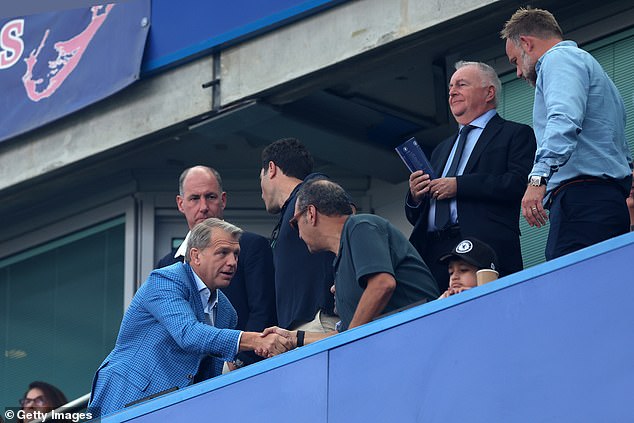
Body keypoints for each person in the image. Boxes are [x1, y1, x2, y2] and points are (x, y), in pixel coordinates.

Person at [89, 218, 292, 418]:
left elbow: (208, 376)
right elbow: (189, 334)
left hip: (173, 408)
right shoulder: (166, 280)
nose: (232, 262)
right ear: (195, 256)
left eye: (236, 254)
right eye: (223, 253)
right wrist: (256, 340)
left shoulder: (227, 312)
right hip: (128, 397)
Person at [501, 7, 633, 260]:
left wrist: (537, 178)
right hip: (603, 201)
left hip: (582, 203)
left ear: (526, 43)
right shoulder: (591, 68)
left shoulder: (558, 60)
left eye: (515, 61)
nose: (518, 72)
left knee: (571, 290)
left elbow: (563, 119)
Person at [405, 61, 536, 293]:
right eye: (450, 87)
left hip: (484, 246)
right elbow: (417, 214)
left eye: (461, 85)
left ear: (489, 92)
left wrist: (460, 186)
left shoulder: (515, 134)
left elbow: (517, 184)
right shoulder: (441, 149)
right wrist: (415, 196)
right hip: (436, 253)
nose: (452, 92)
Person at [262, 179, 439, 348]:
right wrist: (294, 338)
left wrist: (349, 344)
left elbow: (382, 284)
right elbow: (346, 333)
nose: (298, 234)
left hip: (423, 334)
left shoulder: (360, 225)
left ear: (311, 213)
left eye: (294, 223)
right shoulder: (341, 262)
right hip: (406, 341)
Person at [156, 165, 277, 367]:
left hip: (243, 372)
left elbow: (263, 311)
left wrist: (236, 362)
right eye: (194, 198)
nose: (203, 207)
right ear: (180, 203)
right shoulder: (166, 266)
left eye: (210, 197)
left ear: (223, 200)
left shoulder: (252, 246)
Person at [259, 138, 338, 332]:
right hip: (298, 328)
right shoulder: (291, 210)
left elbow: (344, 211)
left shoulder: (312, 188)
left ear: (271, 169)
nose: (261, 193)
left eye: (260, 177)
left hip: (318, 321)